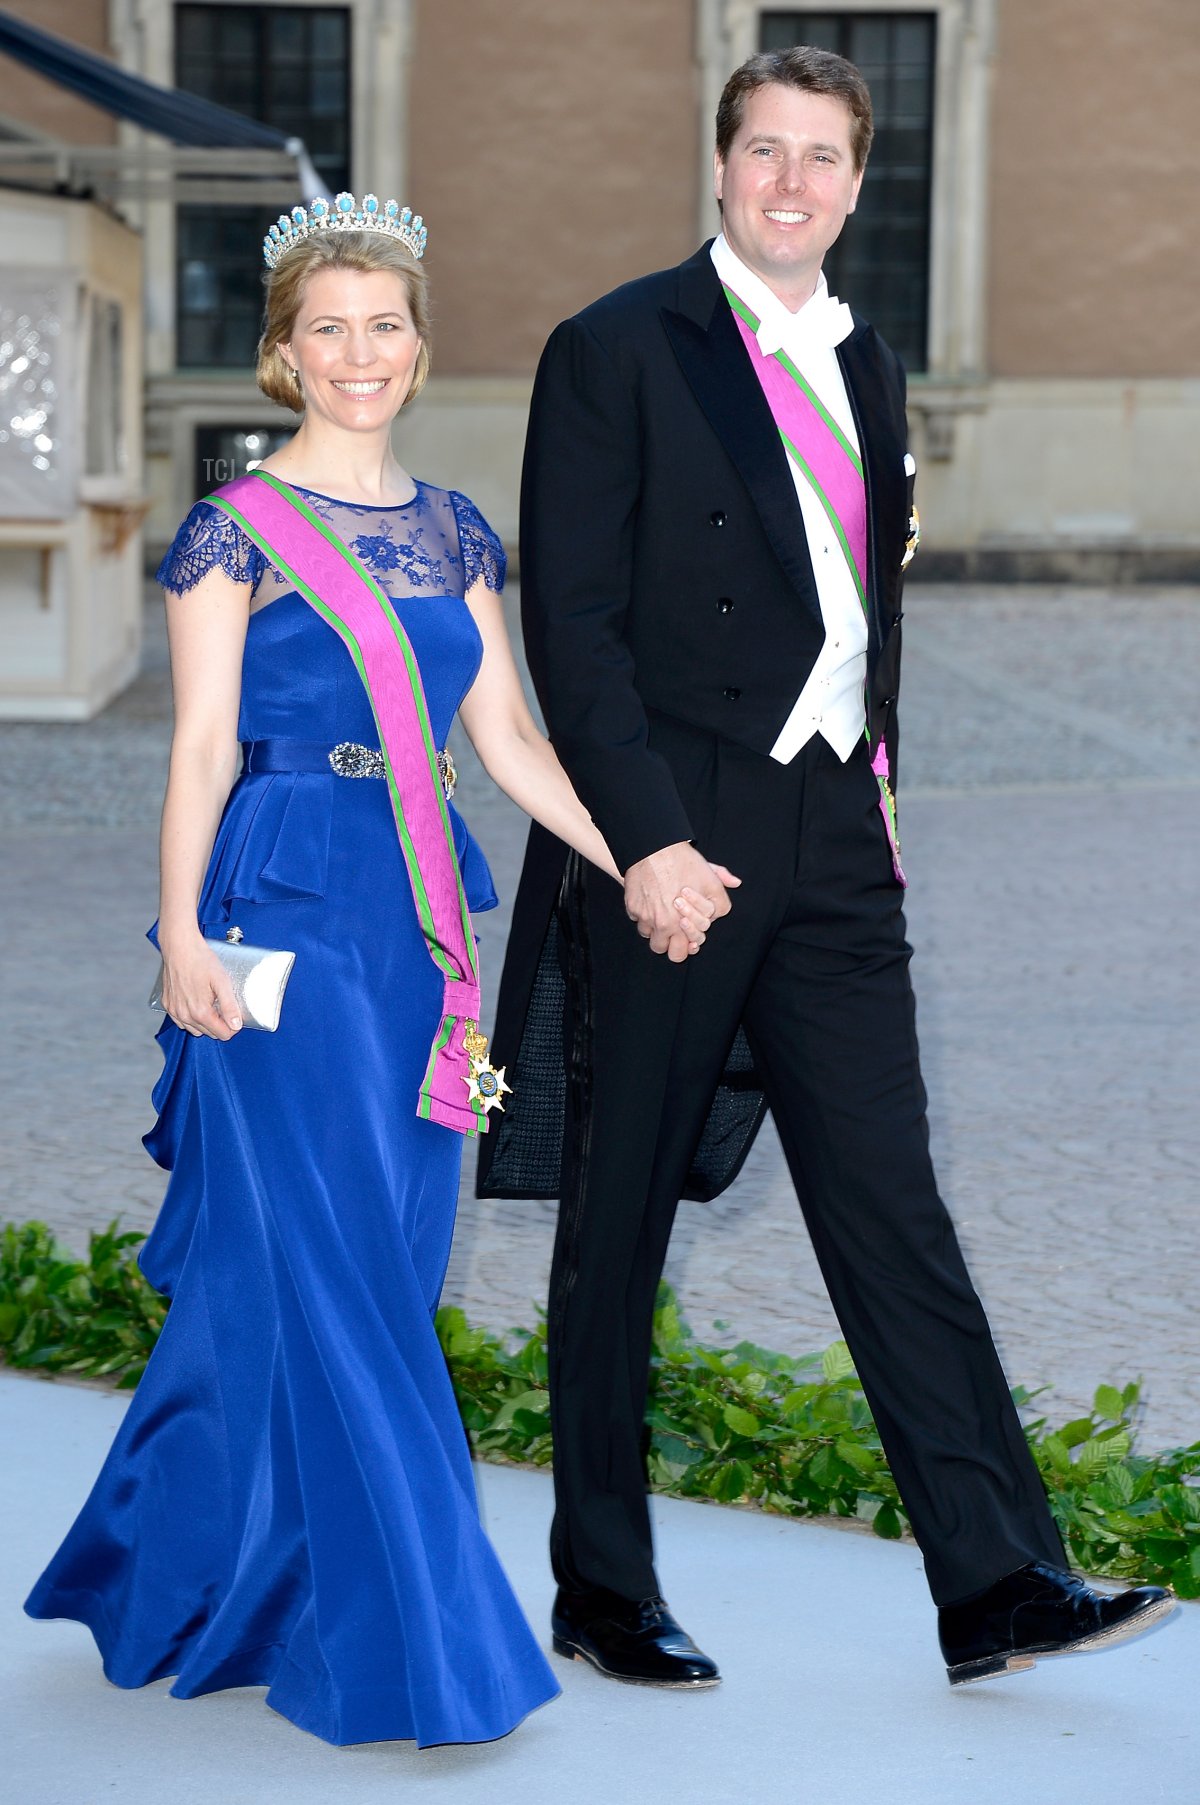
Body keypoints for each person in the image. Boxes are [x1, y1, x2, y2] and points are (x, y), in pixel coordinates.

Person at [478, 49, 1175, 1689]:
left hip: (835, 833)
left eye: (823, 158)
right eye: (766, 151)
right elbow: (571, 623)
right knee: (621, 1210)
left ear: (860, 185)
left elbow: (860, 606)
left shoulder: (868, 361)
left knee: (892, 1199)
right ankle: (602, 1586)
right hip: (678, 827)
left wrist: (878, 794)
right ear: (722, 165)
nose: (792, 183)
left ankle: (996, 1577)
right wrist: (642, 840)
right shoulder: (614, 347)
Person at [23, 194, 714, 1747]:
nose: (358, 353)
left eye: (382, 325)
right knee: (346, 1276)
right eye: (326, 328)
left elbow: (510, 741)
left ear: (417, 345)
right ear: (285, 352)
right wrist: (179, 932)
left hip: (415, 931)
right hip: (279, 910)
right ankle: (421, 1643)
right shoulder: (234, 530)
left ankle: (189, 1574)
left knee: (362, 1264)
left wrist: (642, 858)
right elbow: (202, 748)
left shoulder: (455, 530)